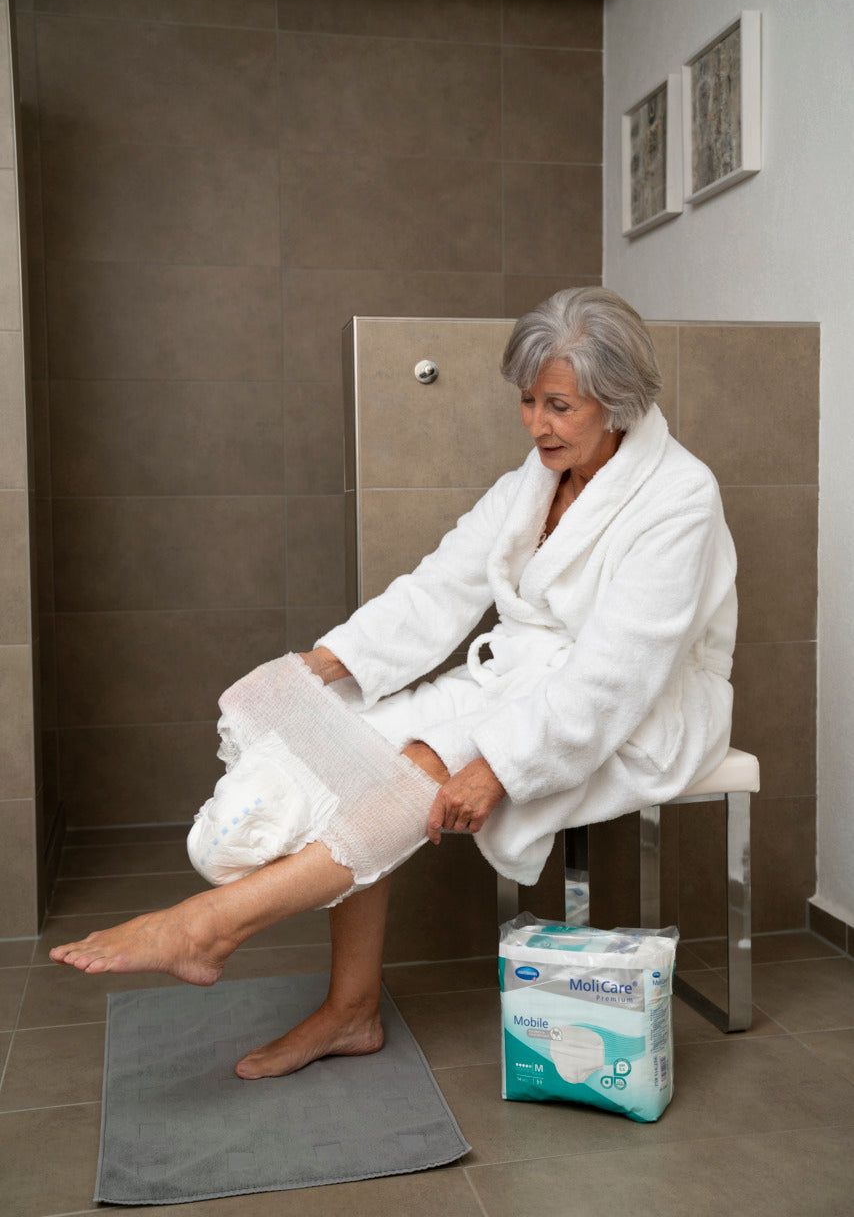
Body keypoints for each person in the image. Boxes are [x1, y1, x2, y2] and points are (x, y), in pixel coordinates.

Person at [50, 287, 737, 1082]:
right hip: (524, 673)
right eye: (526, 401)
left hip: (644, 708)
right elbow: (441, 584)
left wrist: (498, 765)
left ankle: (208, 928)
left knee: (414, 772)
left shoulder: (680, 496)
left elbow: (616, 673)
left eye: (558, 406)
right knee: (353, 743)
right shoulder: (540, 472)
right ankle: (352, 1012)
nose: (535, 424)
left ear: (617, 402)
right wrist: (323, 665)